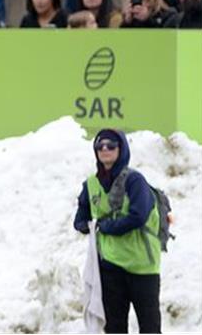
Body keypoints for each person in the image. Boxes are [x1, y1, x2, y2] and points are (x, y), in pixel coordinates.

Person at [73, 129, 164, 334]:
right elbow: (80, 219)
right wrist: (85, 226)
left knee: (150, 327)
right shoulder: (91, 184)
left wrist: (104, 227)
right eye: (100, 146)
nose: (105, 149)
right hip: (110, 267)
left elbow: (138, 216)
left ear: (121, 149)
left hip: (142, 266)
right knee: (114, 328)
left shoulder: (135, 181)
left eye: (111, 145)